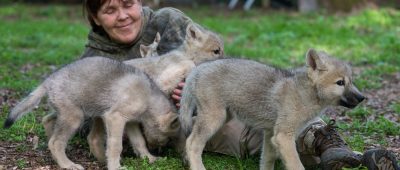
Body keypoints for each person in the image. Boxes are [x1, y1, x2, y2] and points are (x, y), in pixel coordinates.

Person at [81, 0, 400, 169]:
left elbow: (212, 59)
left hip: (205, 101)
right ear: (95, 18)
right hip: (166, 128)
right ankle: (322, 153)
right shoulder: (94, 60)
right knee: (249, 137)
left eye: (128, 4)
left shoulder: (167, 20)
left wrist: (189, 84)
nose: (123, 15)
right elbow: (89, 120)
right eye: (110, 10)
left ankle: (326, 145)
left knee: (274, 113)